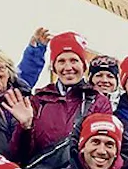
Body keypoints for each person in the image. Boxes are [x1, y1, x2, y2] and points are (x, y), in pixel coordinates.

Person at [19, 31, 102, 161]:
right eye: (61, 61)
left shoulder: (98, 101)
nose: (68, 67)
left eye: (74, 60)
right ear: (54, 67)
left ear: (83, 65)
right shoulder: (39, 100)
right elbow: (20, 153)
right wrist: (25, 128)